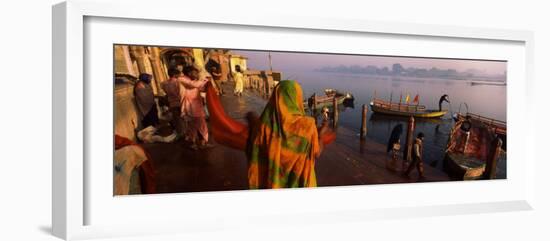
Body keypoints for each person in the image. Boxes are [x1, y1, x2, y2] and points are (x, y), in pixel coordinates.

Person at [247, 80, 334, 188]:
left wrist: (251, 117)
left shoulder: (264, 125)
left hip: (273, 184)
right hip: (300, 183)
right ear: (297, 98)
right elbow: (317, 152)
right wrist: (321, 134)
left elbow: (255, 147)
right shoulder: (307, 125)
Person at [180, 66, 211, 150]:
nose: (196, 74)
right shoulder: (182, 79)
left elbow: (201, 88)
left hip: (197, 107)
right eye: (195, 72)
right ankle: (192, 143)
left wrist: (207, 87)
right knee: (192, 127)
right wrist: (205, 80)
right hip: (188, 107)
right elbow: (193, 85)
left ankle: (203, 142)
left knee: (202, 125)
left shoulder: (193, 81)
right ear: (189, 72)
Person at [161, 68, 184, 136]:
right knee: (184, 119)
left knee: (177, 120)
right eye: (178, 74)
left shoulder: (164, 83)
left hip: (172, 103)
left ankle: (180, 133)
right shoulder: (178, 82)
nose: (180, 75)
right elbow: (181, 92)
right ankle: (186, 134)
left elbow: (166, 92)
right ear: (175, 75)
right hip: (180, 102)